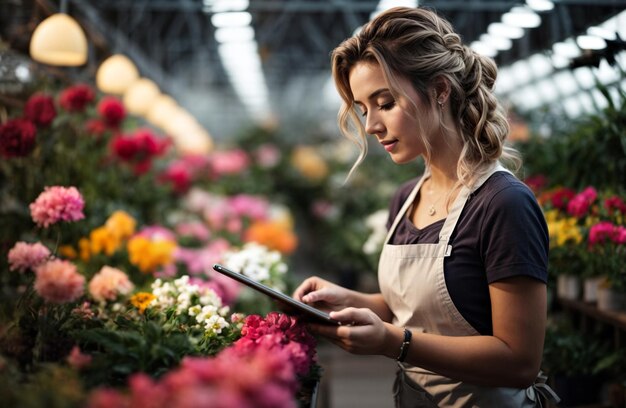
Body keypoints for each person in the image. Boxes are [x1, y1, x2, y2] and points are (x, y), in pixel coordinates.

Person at [293, 6, 559, 408]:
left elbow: (518, 361)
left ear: (439, 90)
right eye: (364, 109)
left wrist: (392, 342)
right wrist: (350, 301)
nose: (370, 126)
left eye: (384, 102)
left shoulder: (503, 204)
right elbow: (414, 309)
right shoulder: (406, 199)